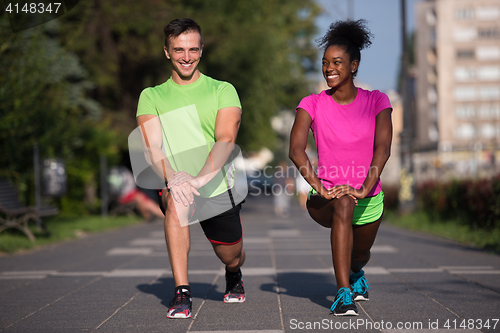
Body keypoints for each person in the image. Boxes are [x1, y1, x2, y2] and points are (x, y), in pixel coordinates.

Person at [136, 18, 246, 319]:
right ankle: (182, 293)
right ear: (167, 52)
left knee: (231, 253)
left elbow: (226, 139)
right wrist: (175, 178)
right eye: (179, 49)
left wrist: (199, 179)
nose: (186, 56)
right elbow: (151, 146)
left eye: (193, 49)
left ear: (201, 50)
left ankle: (234, 273)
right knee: (175, 203)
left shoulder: (223, 90)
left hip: (216, 184)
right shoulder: (151, 96)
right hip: (177, 182)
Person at [289, 19, 392, 316]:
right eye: (325, 63)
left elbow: (382, 149)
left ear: (354, 65)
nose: (329, 68)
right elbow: (296, 150)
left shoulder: (377, 101)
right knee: (344, 203)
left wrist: (363, 188)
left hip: (369, 195)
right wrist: (319, 186)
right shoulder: (312, 103)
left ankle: (356, 272)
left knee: (360, 254)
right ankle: (342, 293)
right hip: (326, 199)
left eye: (337, 62)